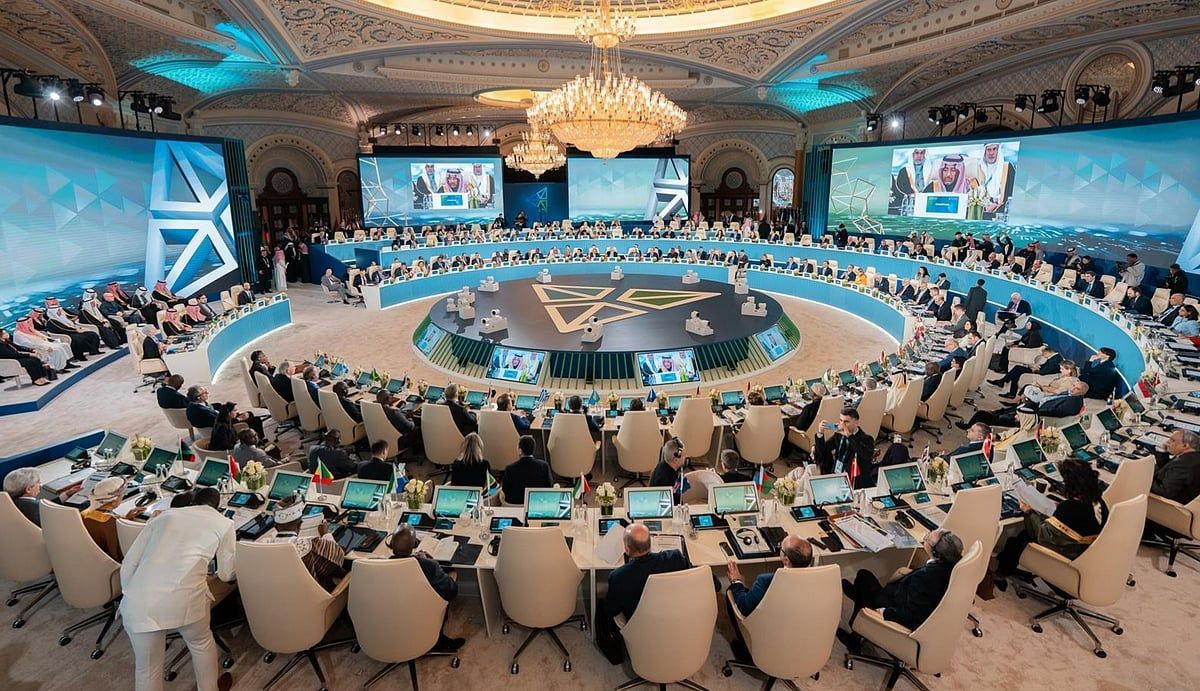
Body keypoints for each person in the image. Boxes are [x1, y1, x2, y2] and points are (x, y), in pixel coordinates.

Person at [120, 487, 235, 691]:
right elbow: (226, 575)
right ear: (218, 507)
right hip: (186, 601)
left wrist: (133, 595)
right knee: (201, 644)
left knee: (147, 670)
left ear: (193, 502)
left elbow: (128, 564)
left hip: (139, 602)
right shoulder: (224, 523)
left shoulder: (163, 516)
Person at [839, 528, 965, 653]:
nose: (925, 537)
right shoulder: (954, 567)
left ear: (937, 553)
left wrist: (883, 611)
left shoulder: (925, 578)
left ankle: (855, 637)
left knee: (863, 575)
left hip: (892, 606)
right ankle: (858, 595)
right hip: (902, 597)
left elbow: (911, 614)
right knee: (864, 582)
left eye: (927, 538)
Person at [993, 460, 1106, 590]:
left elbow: (1043, 536)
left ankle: (1000, 573)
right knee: (1024, 534)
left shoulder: (1069, 508)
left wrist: (1028, 512)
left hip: (1066, 558)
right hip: (1086, 555)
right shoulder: (1099, 503)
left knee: (1018, 540)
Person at [597, 523, 691, 664]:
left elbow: (611, 611)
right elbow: (715, 584)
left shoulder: (619, 577)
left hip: (640, 629)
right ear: (650, 543)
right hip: (675, 622)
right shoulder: (676, 558)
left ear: (626, 549)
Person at [725, 535, 813, 661]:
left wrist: (737, 581)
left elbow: (743, 608)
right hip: (801, 633)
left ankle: (745, 649)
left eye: (781, 548)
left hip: (770, 638)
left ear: (786, 559)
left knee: (732, 592)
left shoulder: (765, 581)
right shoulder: (818, 580)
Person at [388, 525, 465, 652]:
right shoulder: (428, 565)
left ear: (391, 544)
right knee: (451, 573)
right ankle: (438, 642)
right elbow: (451, 591)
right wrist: (433, 563)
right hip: (421, 607)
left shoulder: (378, 565)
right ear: (414, 545)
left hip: (393, 608)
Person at [261, 496, 346, 592]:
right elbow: (338, 558)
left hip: (272, 594)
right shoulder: (310, 545)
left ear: (276, 527)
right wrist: (326, 534)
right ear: (300, 524)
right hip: (311, 597)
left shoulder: (261, 545)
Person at [957, 381, 1088, 429]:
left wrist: (1033, 411)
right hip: (1036, 407)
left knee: (982, 414)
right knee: (1021, 403)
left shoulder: (1074, 402)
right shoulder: (1069, 394)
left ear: (1082, 392)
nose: (1072, 388)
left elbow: (1056, 413)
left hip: (1033, 415)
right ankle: (998, 412)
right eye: (1073, 385)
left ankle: (973, 426)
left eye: (1076, 388)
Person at [813, 408, 876, 486]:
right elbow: (823, 450)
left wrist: (849, 436)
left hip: (852, 479)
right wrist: (820, 433)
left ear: (856, 422)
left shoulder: (866, 438)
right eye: (841, 421)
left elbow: (866, 455)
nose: (842, 425)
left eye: (846, 422)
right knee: (808, 472)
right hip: (836, 473)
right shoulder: (839, 435)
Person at [989, 345, 1062, 398]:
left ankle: (1003, 383)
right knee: (1016, 371)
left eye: (1042, 354)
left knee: (1017, 369)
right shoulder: (1055, 357)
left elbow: (1044, 372)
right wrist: (1036, 366)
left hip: (1041, 375)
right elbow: (1046, 367)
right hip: (1040, 371)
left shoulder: (1054, 360)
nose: (1042, 356)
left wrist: (1035, 369)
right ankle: (1008, 389)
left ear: (1046, 352)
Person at [82, 476, 127, 561]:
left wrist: (126, 518)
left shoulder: (84, 514)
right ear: (114, 502)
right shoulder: (110, 523)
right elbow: (117, 553)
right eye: (122, 496)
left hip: (90, 559)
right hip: (111, 564)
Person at [1150, 430, 1200, 505]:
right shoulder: (1192, 457)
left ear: (1185, 446)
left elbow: (1165, 492)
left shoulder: (1182, 465)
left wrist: (1145, 480)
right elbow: (1169, 469)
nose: (1167, 442)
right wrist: (1162, 452)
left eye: (1172, 440)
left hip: (1168, 505)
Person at [501, 435, 553, 502]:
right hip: (538, 502)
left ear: (520, 450)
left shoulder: (509, 469)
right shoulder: (544, 466)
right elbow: (550, 486)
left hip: (514, 503)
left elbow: (505, 491)